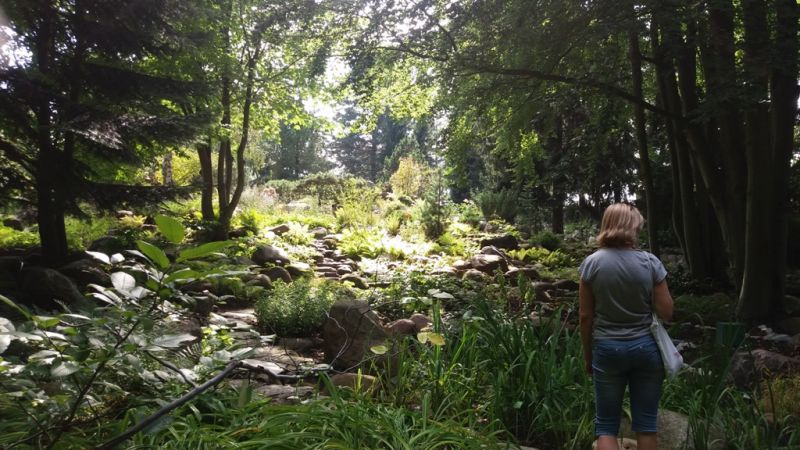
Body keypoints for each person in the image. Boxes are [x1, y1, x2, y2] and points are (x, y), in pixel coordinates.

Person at [578, 203, 674, 450]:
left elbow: (585, 316)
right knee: (646, 425)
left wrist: (588, 357)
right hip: (646, 348)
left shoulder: (591, 264)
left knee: (606, 426)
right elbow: (667, 312)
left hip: (607, 348)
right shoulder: (650, 263)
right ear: (633, 228)